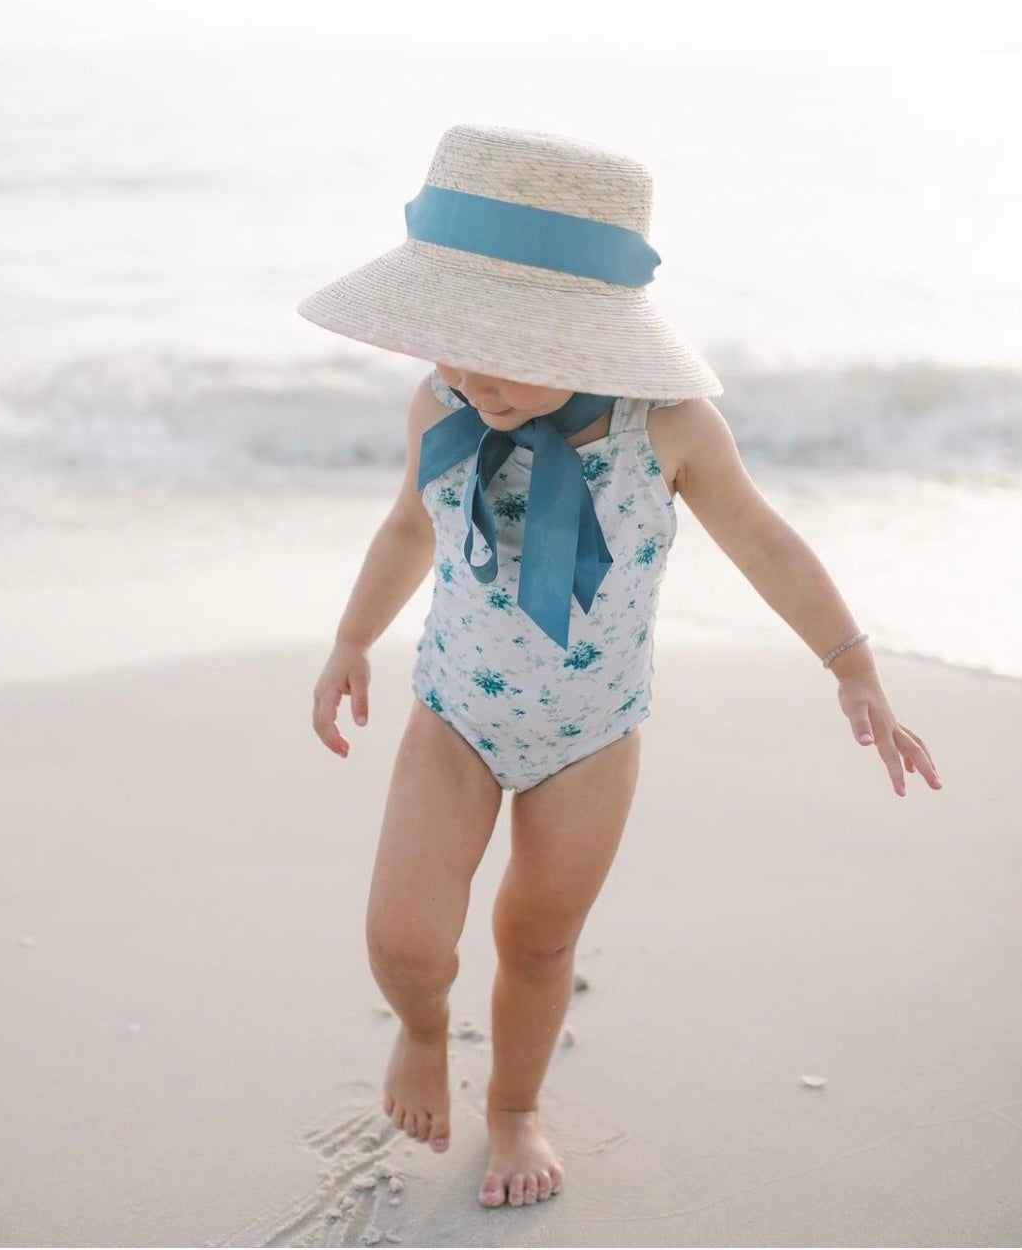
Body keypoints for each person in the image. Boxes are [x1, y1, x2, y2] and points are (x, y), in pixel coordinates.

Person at [297, 123, 942, 1211]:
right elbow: (409, 527)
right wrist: (352, 638)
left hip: (591, 737)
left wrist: (852, 663)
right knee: (404, 933)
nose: (470, 368)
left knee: (537, 940)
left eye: (502, 343)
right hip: (452, 712)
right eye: (454, 336)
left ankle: (512, 1107)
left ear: (594, 333)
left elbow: (767, 541)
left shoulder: (672, 428)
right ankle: (419, 1028)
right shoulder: (441, 405)